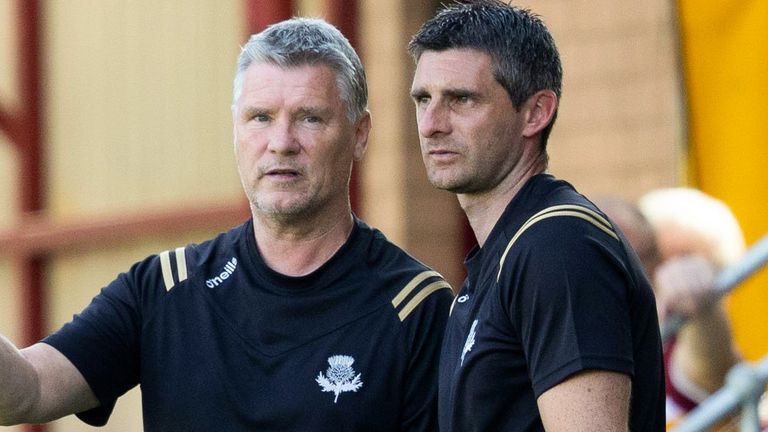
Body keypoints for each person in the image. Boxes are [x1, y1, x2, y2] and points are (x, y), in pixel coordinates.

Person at [0, 18, 454, 430]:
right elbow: (27, 392)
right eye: (260, 118)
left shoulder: (416, 307)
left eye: (310, 118)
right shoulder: (164, 288)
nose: (281, 142)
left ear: (359, 135)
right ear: (235, 131)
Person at [408, 1, 665, 431]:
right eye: (423, 99)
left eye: (461, 99)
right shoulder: (506, 256)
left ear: (536, 112)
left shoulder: (558, 246)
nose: (432, 123)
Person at [638, 188, 744, 429]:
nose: (668, 275)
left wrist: (703, 307)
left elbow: (711, 365)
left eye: (687, 259)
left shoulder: (681, 359)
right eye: (654, 260)